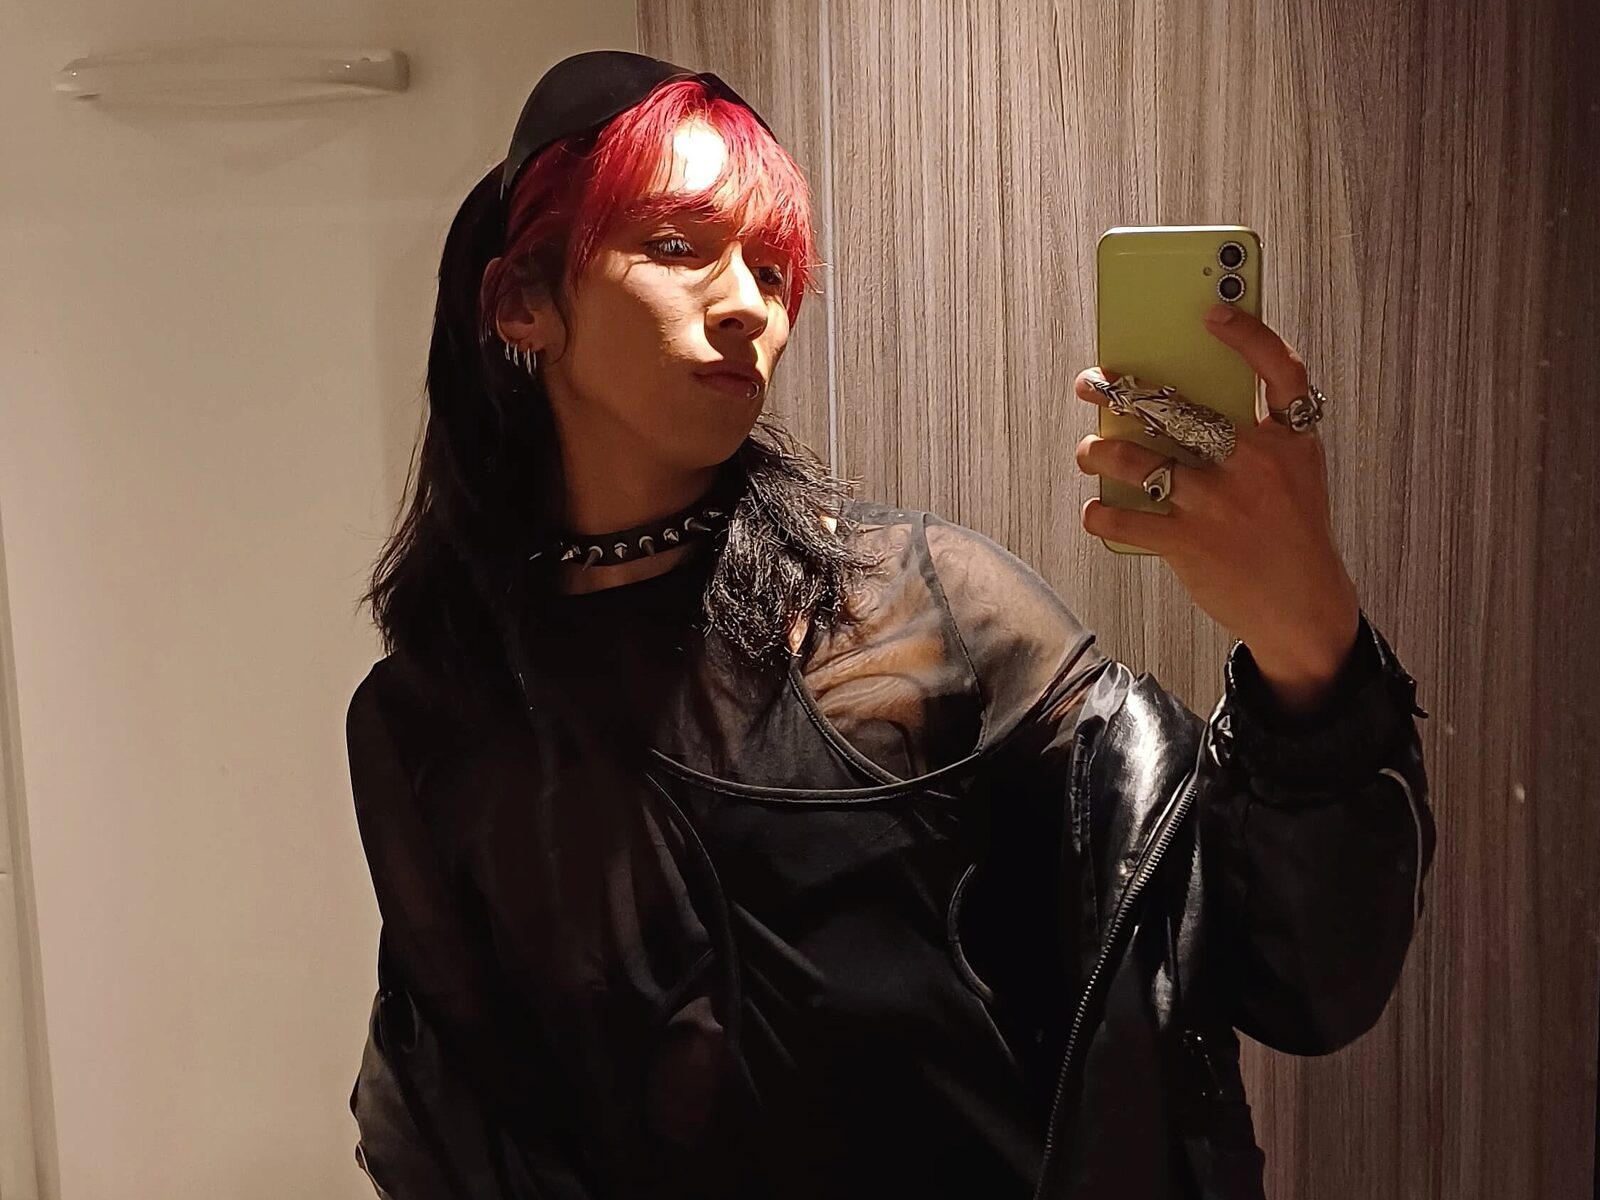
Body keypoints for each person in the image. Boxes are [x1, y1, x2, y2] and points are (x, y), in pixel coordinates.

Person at [343, 49, 1437, 1200]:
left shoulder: (921, 614)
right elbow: (459, 1132)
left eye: (772, 269)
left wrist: (1306, 639)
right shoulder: (426, 720)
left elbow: (1296, 980)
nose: (747, 305)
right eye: (675, 246)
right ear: (522, 302)